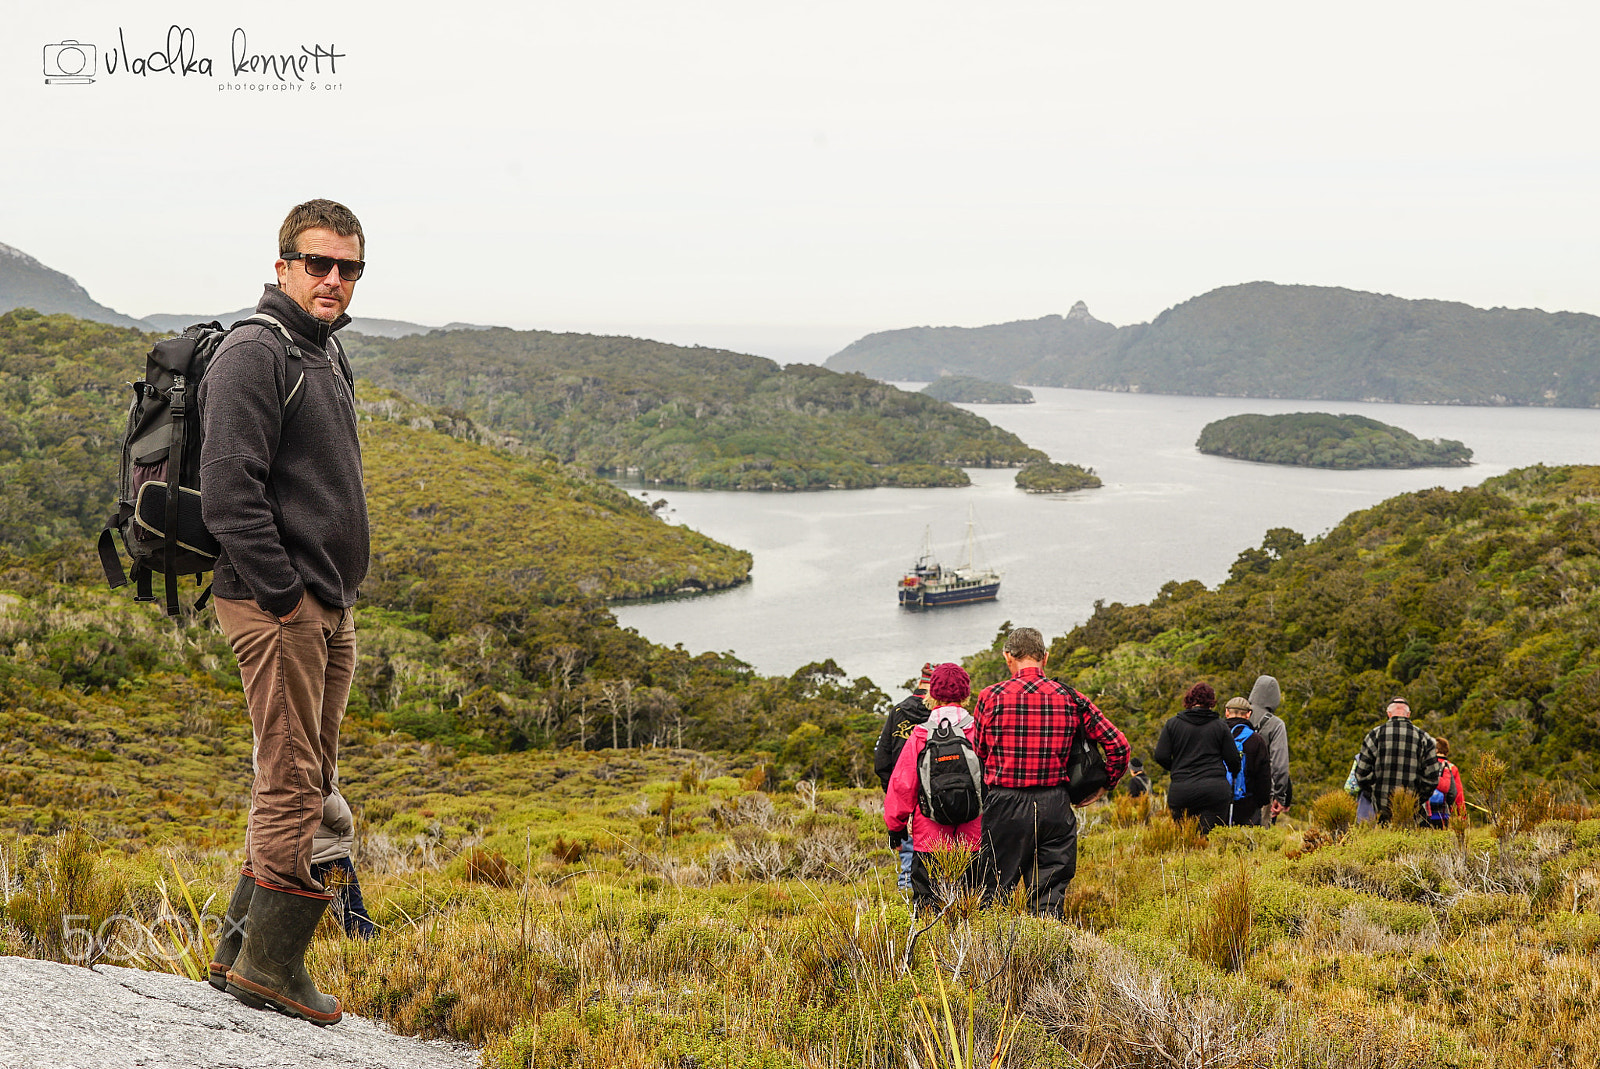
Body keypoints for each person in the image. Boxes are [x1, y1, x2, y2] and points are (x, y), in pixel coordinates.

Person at [200, 200, 370, 1026]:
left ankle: (235, 951)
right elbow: (231, 493)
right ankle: (271, 966)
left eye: (349, 268)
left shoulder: (327, 356)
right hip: (280, 605)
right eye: (318, 264)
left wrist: (326, 602)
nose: (333, 279)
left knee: (308, 772)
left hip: (327, 604)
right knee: (293, 775)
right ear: (283, 266)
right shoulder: (254, 353)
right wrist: (284, 597)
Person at [972, 627, 1129, 917]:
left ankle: (993, 959)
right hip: (1055, 805)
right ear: (1045, 657)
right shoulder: (1071, 698)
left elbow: (979, 751)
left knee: (993, 896)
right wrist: (1105, 785)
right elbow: (1118, 746)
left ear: (1008, 657)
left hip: (1005, 805)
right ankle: (1046, 957)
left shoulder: (989, 697)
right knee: (1049, 898)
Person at [883, 663, 983, 910]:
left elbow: (901, 786)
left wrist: (896, 828)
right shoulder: (979, 731)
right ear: (966, 694)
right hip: (974, 839)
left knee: (929, 910)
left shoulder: (920, 735)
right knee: (975, 909)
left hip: (929, 841)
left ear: (931, 695)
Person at [874, 663, 933, 891]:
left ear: (920, 681)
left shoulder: (897, 712)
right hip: (935, 798)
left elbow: (881, 760)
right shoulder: (939, 716)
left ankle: (906, 909)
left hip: (903, 796)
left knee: (907, 864)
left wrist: (893, 795)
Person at [1153, 683, 1240, 833]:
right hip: (1214, 790)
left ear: (1189, 700)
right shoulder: (1220, 726)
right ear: (1211, 702)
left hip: (1182, 789)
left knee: (1184, 838)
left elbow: (1160, 756)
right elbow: (1233, 760)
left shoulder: (1173, 724)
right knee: (1211, 838)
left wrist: (1177, 768)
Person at [1352, 697, 1442, 825]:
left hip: (1380, 809)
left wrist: (1375, 794)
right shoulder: (1424, 738)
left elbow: (1361, 774)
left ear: (1388, 714)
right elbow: (1432, 778)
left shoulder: (1374, 736)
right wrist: (1416, 799)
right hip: (1411, 810)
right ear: (1408, 715)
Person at [310, 788, 376, 938]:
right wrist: (343, 819)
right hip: (324, 848)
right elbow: (313, 789)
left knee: (287, 923)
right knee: (354, 916)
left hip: (279, 848)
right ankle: (373, 957)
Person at [1248, 675, 1292, 823]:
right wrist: (1279, 796)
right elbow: (1280, 765)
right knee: (1260, 836)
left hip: (1234, 788)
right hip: (1263, 789)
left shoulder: (1239, 714)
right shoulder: (1276, 724)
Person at [1223, 696, 1271, 826]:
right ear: (1248, 714)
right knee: (1247, 842)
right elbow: (1264, 775)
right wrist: (1262, 801)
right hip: (1248, 804)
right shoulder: (1256, 740)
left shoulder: (1216, 735)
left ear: (1227, 712)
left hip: (1219, 800)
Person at [1425, 737, 1467, 828]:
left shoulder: (1426, 765)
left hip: (1425, 811)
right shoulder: (1452, 767)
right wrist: (1462, 815)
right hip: (1443, 812)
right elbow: (1458, 794)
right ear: (1446, 751)